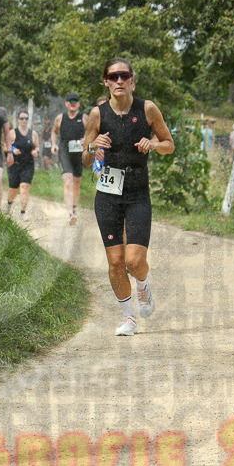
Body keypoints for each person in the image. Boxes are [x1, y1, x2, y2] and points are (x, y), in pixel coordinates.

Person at [81, 57, 175, 336]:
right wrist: (92, 144)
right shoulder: (97, 114)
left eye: (124, 76)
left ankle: (143, 287)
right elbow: (85, 160)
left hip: (136, 193)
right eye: (113, 77)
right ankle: (128, 317)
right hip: (108, 195)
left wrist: (154, 144)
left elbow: (169, 145)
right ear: (106, 82)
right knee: (115, 262)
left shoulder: (147, 109)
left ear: (133, 81)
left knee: (134, 261)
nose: (119, 81)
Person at [51, 93, 86, 225]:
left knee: (77, 182)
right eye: (70, 101)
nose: (73, 103)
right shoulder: (60, 118)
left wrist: (87, 140)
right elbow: (54, 131)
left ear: (78, 104)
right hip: (64, 150)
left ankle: (74, 207)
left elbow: (92, 132)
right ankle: (70, 213)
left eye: (75, 101)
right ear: (66, 103)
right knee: (67, 181)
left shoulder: (84, 118)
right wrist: (54, 144)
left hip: (78, 152)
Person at [6, 111, 39, 220]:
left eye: (26, 118)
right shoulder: (12, 133)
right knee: (14, 190)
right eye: (22, 118)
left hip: (28, 165)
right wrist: (13, 149)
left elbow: (37, 147)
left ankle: (23, 212)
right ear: (18, 120)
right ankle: (9, 204)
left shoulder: (33, 134)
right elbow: (5, 147)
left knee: (24, 188)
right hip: (15, 165)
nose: (24, 121)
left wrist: (36, 151)